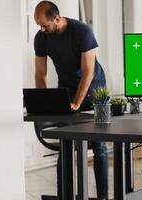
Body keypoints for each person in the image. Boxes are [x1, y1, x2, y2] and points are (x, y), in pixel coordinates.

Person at [33, 1, 108, 199]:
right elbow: (40, 74)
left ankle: (103, 196)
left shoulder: (82, 32)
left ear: (56, 18)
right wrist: (44, 103)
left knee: (98, 145)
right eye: (39, 26)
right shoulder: (41, 38)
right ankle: (63, 195)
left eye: (44, 25)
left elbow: (88, 72)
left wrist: (76, 103)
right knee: (66, 143)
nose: (41, 29)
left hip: (94, 91)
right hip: (66, 89)